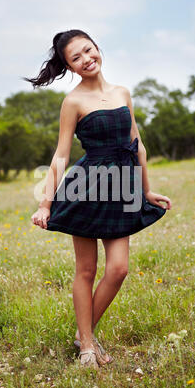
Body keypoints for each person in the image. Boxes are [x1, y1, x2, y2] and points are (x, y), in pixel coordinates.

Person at [24, 29, 172, 370]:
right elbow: (61, 154)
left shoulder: (122, 92)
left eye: (88, 51)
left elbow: (138, 143)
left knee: (118, 269)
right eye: (76, 58)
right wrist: (45, 204)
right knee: (87, 270)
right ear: (69, 67)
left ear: (97, 48)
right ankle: (87, 345)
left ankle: (82, 332)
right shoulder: (73, 101)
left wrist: (147, 190)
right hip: (87, 188)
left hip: (124, 188)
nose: (86, 59)